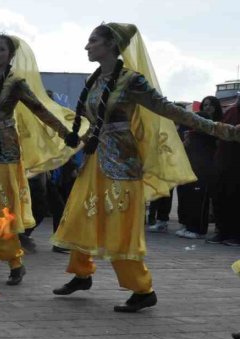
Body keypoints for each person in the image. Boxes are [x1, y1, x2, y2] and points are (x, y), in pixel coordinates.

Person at [52, 23, 240, 312]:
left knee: (119, 226)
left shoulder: (131, 81)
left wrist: (221, 129)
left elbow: (170, 110)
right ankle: (81, 274)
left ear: (112, 46)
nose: (87, 46)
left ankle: (142, 290)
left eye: (93, 41)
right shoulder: (95, 81)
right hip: (96, 161)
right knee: (81, 214)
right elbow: (93, 122)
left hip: (123, 165)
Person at [0, 35, 76, 285]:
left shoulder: (15, 82)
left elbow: (39, 109)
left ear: (10, 55)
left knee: (2, 211)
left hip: (4, 153)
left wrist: (64, 132)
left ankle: (15, 263)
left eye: (1, 49)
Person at [174, 96, 222, 239]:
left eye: (211, 105)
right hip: (193, 169)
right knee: (190, 198)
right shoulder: (192, 133)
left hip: (206, 170)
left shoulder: (215, 129)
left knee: (201, 200)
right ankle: (189, 225)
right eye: (205, 105)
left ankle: (198, 229)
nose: (207, 107)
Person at [207, 102, 240, 246]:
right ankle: (222, 232)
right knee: (220, 197)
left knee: (235, 199)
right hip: (222, 161)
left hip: (236, 164)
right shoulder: (231, 110)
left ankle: (236, 235)